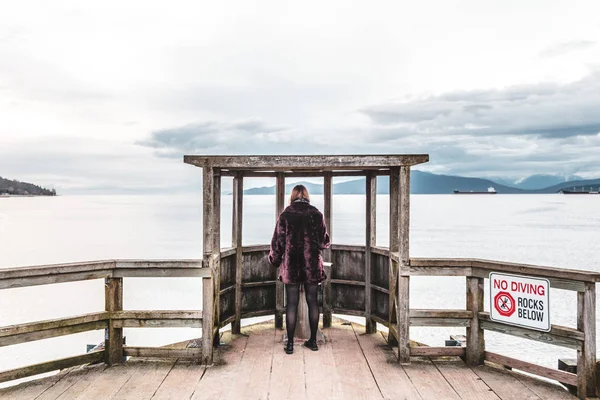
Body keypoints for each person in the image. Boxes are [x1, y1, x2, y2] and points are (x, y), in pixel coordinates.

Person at [268, 184, 331, 354]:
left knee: (291, 304)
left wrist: (274, 260)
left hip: (291, 266)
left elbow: (277, 244)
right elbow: (324, 242)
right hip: (311, 266)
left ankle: (289, 344)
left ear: (293, 196)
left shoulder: (285, 215)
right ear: (307, 196)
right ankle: (313, 341)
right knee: (313, 302)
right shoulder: (316, 214)